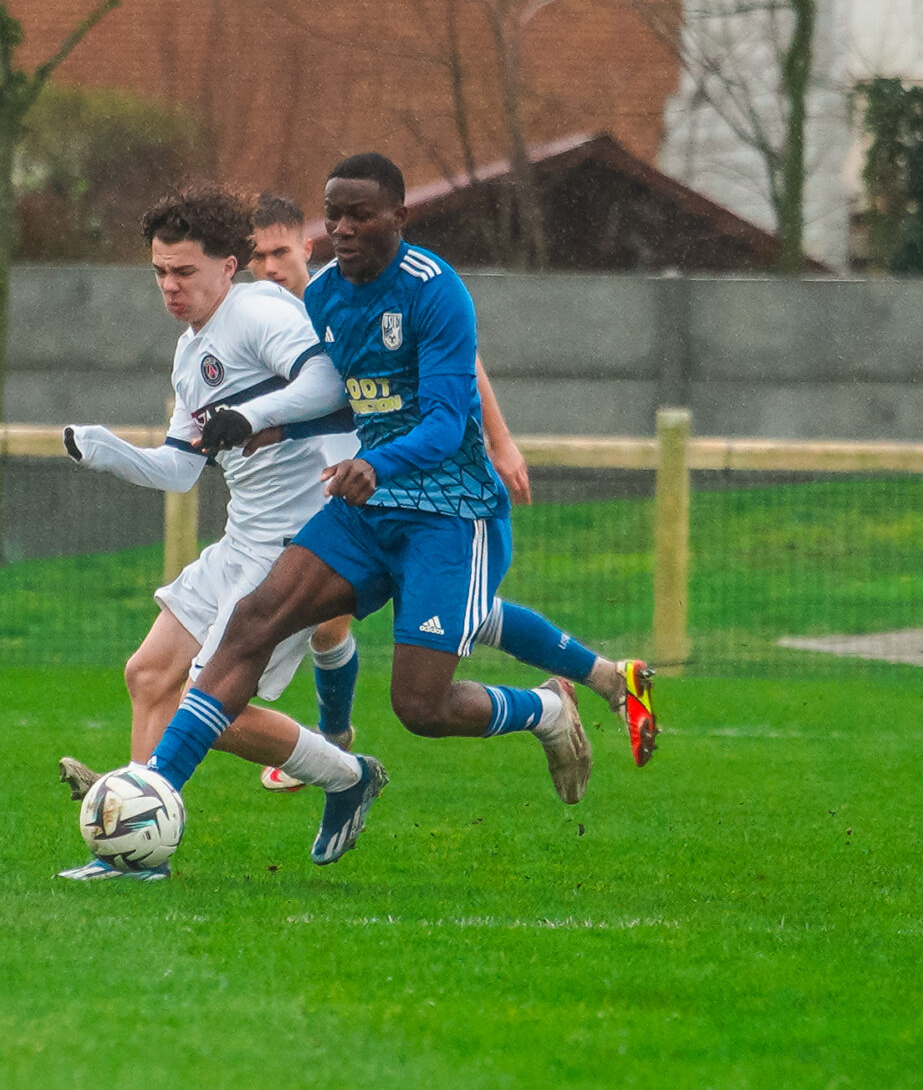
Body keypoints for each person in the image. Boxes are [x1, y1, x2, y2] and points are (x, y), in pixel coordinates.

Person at [137, 153, 656, 865]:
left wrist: (378, 462)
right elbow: (338, 403)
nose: (344, 228)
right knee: (252, 622)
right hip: (367, 508)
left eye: (361, 215)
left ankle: (546, 706)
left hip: (451, 513)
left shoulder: (434, 290)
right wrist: (266, 426)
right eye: (335, 215)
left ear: (398, 217)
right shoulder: (323, 297)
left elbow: (444, 420)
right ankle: (152, 794)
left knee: (420, 705)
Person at [243, 192, 655, 792]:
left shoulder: (343, 294)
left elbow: (462, 365)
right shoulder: (263, 317)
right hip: (340, 484)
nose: (269, 267)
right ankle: (607, 677)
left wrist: (500, 440)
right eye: (257, 257)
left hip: (401, 482)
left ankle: (333, 739)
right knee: (456, 615)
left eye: (280, 252)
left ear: (306, 248)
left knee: (377, 631)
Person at [52, 185, 386, 878]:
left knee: (213, 709)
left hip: (296, 551)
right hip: (241, 544)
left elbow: (329, 385)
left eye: (184, 271)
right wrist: (107, 450)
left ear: (228, 266)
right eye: (159, 272)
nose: (169, 286)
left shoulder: (259, 310)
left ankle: (348, 774)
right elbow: (180, 469)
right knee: (149, 674)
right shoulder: (189, 354)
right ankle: (133, 848)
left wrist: (253, 413)